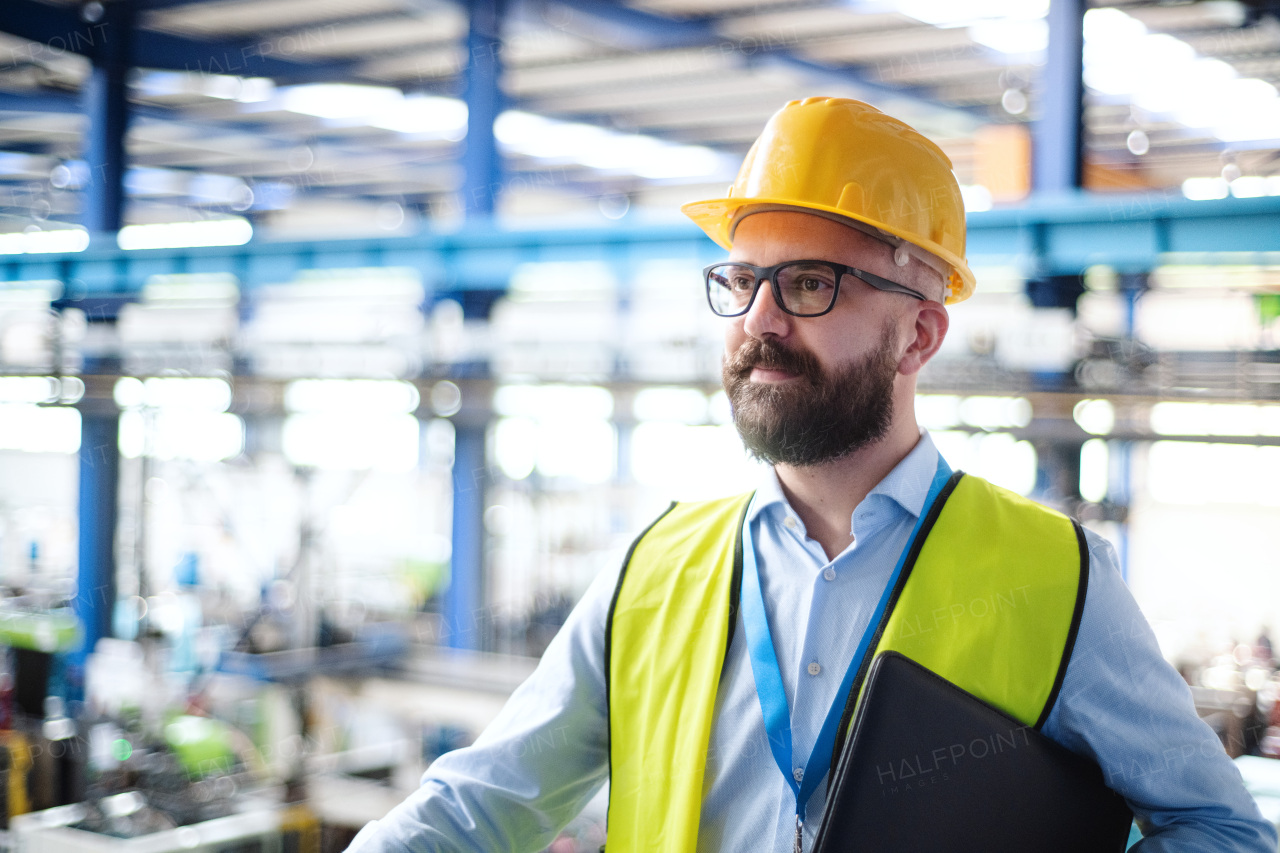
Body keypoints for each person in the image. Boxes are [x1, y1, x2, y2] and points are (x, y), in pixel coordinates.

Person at [349, 97, 1277, 851]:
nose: (758, 320)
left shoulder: (1059, 575)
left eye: (808, 284)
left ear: (919, 332)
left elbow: (1221, 829)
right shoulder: (651, 569)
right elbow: (478, 806)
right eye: (740, 281)